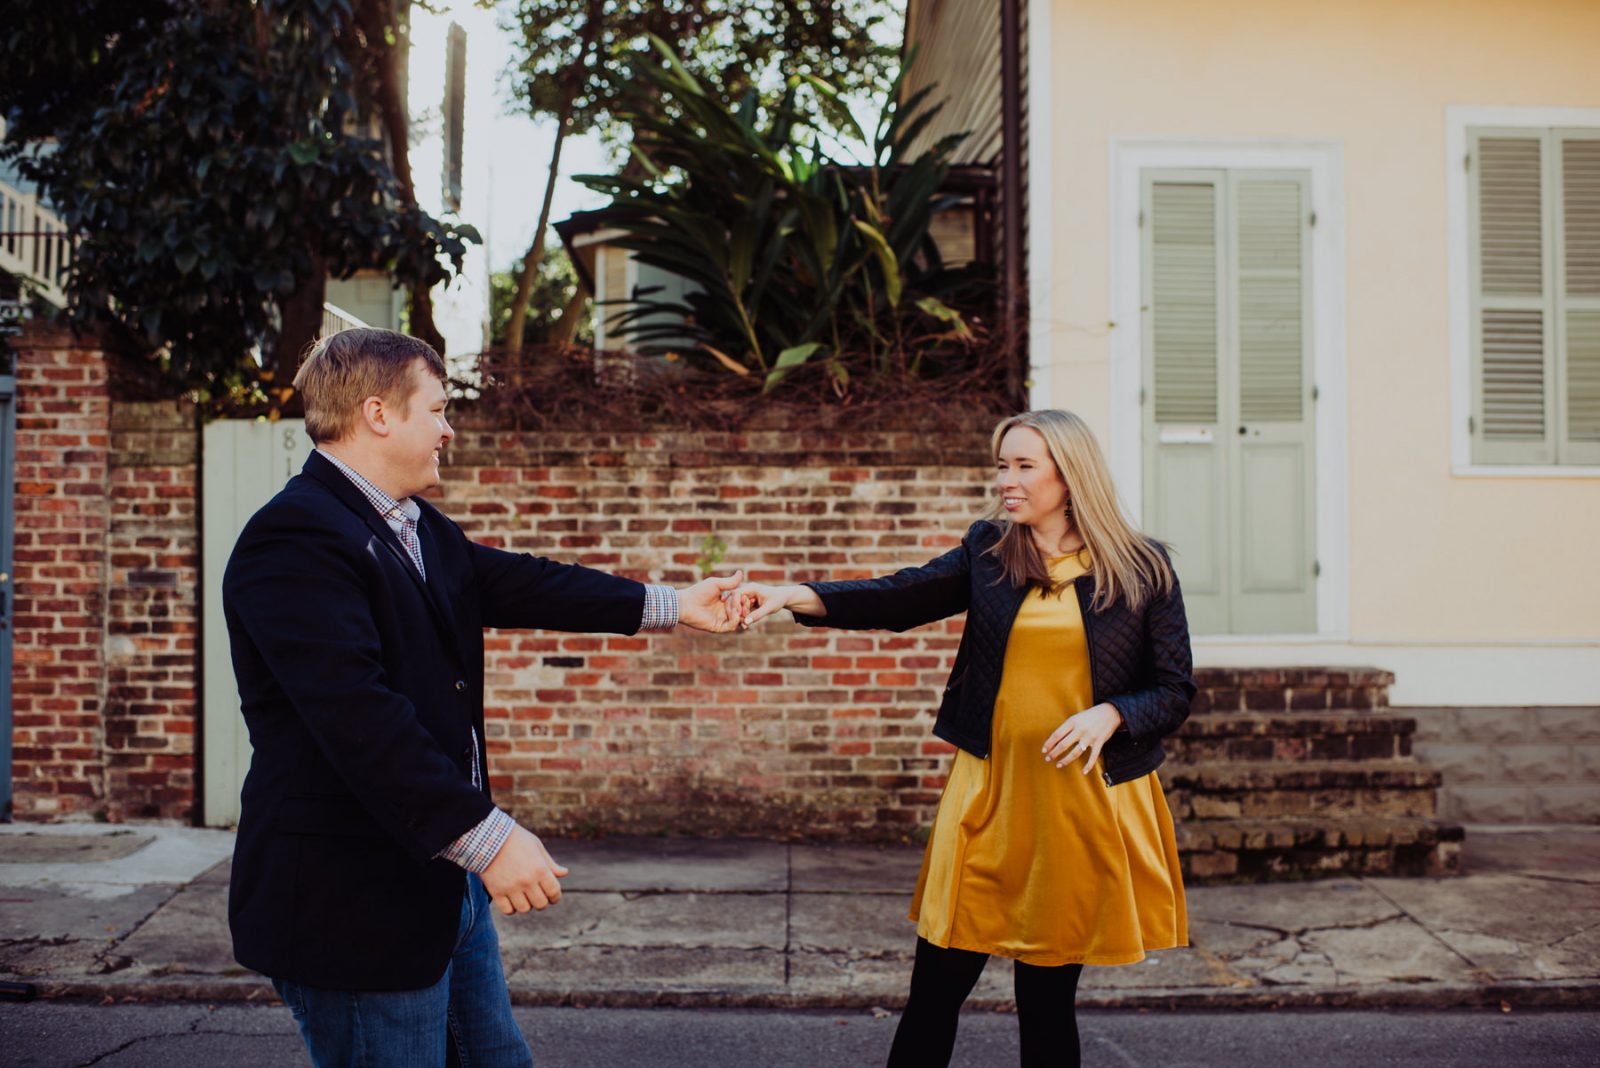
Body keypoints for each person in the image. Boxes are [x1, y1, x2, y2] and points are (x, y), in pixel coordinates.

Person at [222, 327, 746, 1068]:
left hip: (442, 884)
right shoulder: (294, 539)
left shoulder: (414, 526)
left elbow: (528, 582)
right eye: (437, 410)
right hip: (353, 902)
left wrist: (674, 605)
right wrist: (489, 838)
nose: (449, 430)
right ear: (378, 414)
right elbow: (359, 720)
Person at [738, 409, 1194, 1068]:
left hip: (1077, 804)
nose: (1006, 480)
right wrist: (790, 595)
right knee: (935, 990)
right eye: (1002, 465)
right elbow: (899, 597)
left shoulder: (1142, 568)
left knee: (1046, 1002)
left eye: (1024, 466)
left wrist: (1113, 715)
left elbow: (1174, 690)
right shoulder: (989, 551)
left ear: (1070, 475)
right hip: (989, 795)